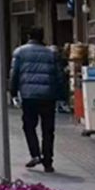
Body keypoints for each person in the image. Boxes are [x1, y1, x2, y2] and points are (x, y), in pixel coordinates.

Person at [9, 26, 68, 173]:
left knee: (29, 126)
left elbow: (14, 74)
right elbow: (60, 76)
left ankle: (35, 154)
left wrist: (13, 92)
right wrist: (62, 96)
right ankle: (48, 161)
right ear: (42, 37)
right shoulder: (51, 53)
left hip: (29, 96)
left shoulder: (20, 52)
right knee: (48, 129)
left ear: (29, 36)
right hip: (48, 95)